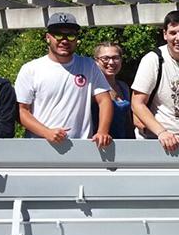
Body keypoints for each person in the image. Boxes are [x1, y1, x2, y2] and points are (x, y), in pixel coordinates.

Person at [15, 13, 113, 148]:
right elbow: (21, 111)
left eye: (70, 35)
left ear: (76, 39)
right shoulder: (30, 69)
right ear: (48, 37)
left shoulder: (89, 65)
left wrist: (102, 131)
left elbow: (105, 100)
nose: (65, 40)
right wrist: (46, 133)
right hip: (40, 147)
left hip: (81, 147)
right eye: (58, 34)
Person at [132, 11, 179, 151]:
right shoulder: (153, 60)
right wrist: (161, 132)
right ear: (165, 34)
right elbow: (137, 103)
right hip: (157, 140)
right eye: (173, 33)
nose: (178, 38)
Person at [92, 42, 134, 140]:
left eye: (115, 58)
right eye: (105, 58)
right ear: (96, 61)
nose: (111, 62)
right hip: (99, 143)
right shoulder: (91, 88)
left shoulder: (123, 87)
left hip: (123, 144)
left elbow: (128, 122)